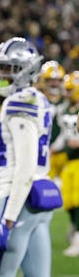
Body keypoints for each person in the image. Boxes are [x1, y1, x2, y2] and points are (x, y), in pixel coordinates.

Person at [0, 37, 70, 277]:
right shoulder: (39, 99)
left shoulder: (19, 102)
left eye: (9, 68)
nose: (2, 74)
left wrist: (6, 217)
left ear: (27, 70)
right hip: (39, 206)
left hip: (19, 202)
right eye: (1, 68)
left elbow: (24, 168)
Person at [59, 70, 79, 257]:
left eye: (70, 89)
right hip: (69, 161)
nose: (67, 93)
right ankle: (75, 231)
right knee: (69, 201)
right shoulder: (65, 109)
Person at [39, 60, 68, 183]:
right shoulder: (38, 99)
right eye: (50, 80)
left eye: (57, 80)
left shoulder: (68, 100)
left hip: (65, 151)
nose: (54, 84)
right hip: (44, 151)